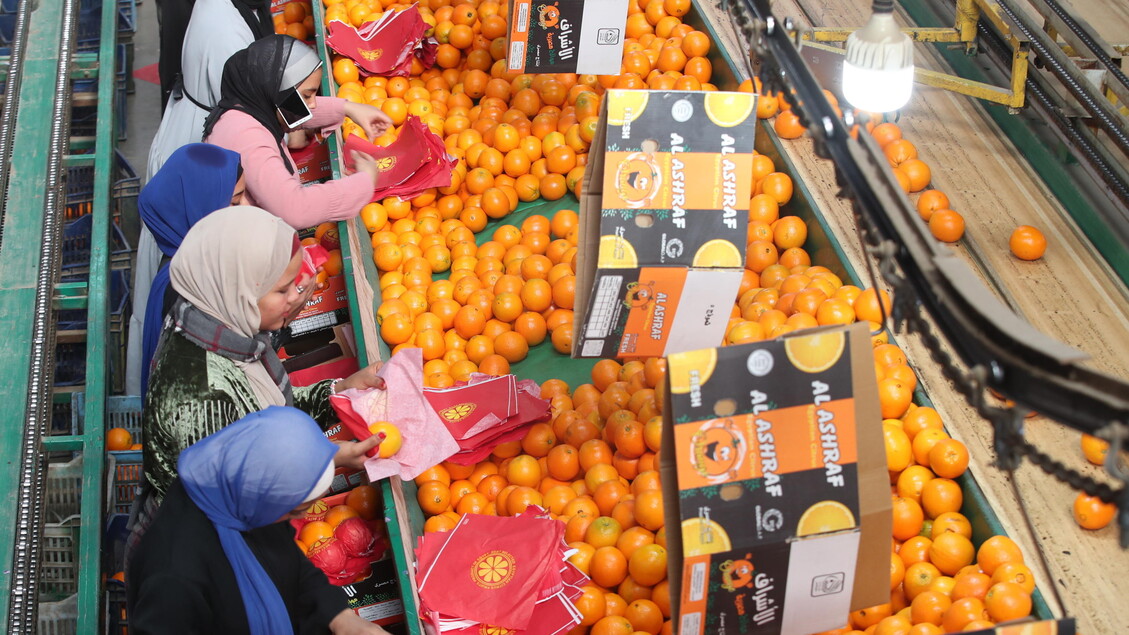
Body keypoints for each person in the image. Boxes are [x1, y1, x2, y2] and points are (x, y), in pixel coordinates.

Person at [129, 206, 385, 551]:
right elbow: (241, 496)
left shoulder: (220, 322)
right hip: (206, 551)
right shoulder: (201, 396)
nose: (296, 296)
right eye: (282, 290)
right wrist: (326, 458)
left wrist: (340, 391)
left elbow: (267, 416)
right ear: (240, 290)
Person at [127, 406, 390, 634]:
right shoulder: (173, 578)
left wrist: (340, 618)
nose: (305, 517)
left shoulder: (241, 493)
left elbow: (290, 561)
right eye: (297, 510)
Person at [204, 35, 392, 229]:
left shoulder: (249, 105)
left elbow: (291, 108)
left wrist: (348, 109)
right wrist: (364, 183)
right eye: (307, 95)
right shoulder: (246, 137)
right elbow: (296, 210)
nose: (312, 104)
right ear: (277, 92)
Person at [125, 143, 248, 396]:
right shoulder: (185, 292)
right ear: (201, 210)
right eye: (235, 202)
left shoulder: (192, 265)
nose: (247, 209)